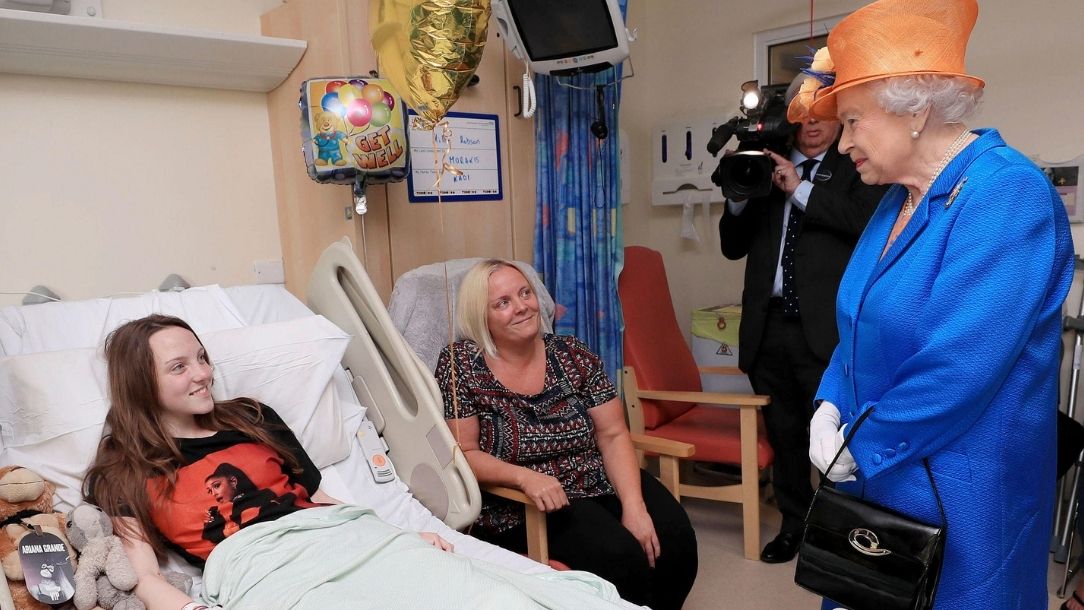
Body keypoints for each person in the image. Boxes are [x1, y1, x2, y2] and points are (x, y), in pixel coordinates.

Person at [787, 0, 1074, 607]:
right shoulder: (896, 197)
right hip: (876, 476)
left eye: (854, 121)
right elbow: (857, 321)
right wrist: (831, 400)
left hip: (960, 492)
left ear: (914, 109)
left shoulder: (1007, 194)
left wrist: (857, 443)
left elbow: (960, 366)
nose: (841, 146)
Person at [83, 314, 632, 610]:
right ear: (142, 382)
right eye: (179, 366)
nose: (201, 373)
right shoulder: (125, 469)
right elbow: (145, 572)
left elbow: (321, 499)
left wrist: (398, 535)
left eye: (201, 357)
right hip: (263, 569)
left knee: (495, 597)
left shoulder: (252, 416)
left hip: (340, 537)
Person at [435, 259, 697, 610]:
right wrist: (524, 478)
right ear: (481, 318)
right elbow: (463, 452)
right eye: (503, 303)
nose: (522, 307)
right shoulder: (461, 364)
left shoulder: (573, 354)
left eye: (524, 293)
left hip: (596, 476)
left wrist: (634, 507)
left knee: (675, 538)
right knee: (620, 557)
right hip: (525, 501)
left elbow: (614, 434)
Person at [717, 90, 885, 562]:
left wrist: (800, 189)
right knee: (786, 436)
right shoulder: (761, 165)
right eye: (802, 116)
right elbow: (733, 246)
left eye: (822, 115)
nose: (811, 124)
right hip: (768, 327)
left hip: (826, 332)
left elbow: (864, 223)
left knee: (836, 440)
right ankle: (795, 525)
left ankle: (842, 534)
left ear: (839, 120)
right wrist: (737, 197)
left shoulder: (858, 164)